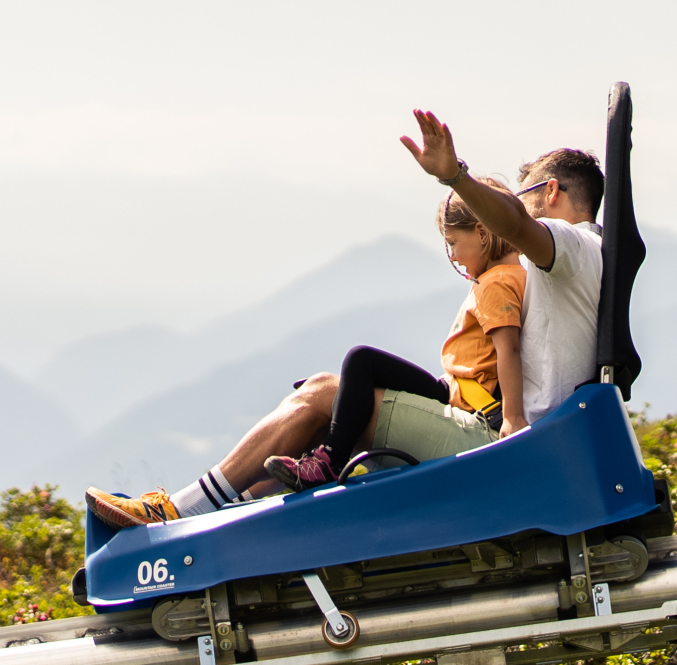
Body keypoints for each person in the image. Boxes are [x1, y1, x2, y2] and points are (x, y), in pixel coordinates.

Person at [85, 108, 605, 530]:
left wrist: (454, 177)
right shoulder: (571, 261)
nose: (513, 207)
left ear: (552, 192)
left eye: (523, 194)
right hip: (514, 434)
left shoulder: (571, 246)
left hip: (502, 442)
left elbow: (511, 224)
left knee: (325, 397)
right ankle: (211, 510)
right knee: (325, 390)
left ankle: (179, 513)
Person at [261, 184, 528, 492]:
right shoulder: (513, 277)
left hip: (465, 401)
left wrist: (513, 417)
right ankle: (336, 423)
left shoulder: (496, 284)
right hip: (454, 388)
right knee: (360, 369)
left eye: (453, 243)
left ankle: (329, 462)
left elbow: (509, 349)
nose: (453, 256)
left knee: (361, 361)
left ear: (482, 233)